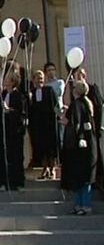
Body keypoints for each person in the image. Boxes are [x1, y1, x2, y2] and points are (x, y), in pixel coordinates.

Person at [61, 79, 97, 215]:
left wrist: (61, 116)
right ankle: (81, 204)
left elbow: (74, 123)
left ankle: (83, 205)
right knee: (84, 177)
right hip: (89, 145)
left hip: (80, 146)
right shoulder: (87, 104)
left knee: (81, 177)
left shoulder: (77, 104)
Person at [0, 71, 27, 191]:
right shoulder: (3, 93)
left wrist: (9, 111)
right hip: (2, 131)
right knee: (3, 157)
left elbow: (21, 114)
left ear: (12, 81)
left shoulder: (19, 96)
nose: (4, 80)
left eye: (7, 78)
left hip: (14, 133)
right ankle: (3, 182)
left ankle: (17, 182)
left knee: (15, 157)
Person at [28, 70, 58, 180]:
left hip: (49, 123)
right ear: (33, 80)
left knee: (51, 148)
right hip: (38, 125)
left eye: (41, 78)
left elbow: (55, 104)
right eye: (37, 77)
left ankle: (52, 169)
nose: (40, 80)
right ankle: (45, 169)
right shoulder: (31, 93)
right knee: (41, 148)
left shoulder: (49, 90)